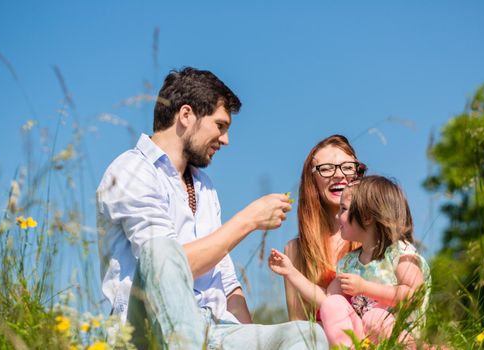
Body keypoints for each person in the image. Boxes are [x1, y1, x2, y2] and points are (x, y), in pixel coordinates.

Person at [96, 67, 328, 349]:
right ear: (186, 115)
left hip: (217, 330)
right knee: (161, 251)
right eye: (220, 125)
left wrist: (251, 338)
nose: (226, 140)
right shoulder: (132, 171)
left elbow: (227, 283)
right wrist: (249, 220)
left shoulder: (204, 186)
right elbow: (165, 269)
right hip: (147, 329)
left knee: (308, 335)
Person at [269, 176, 431, 348]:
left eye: (344, 209)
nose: (338, 216)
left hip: (400, 337)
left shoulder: (401, 253)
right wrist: (291, 272)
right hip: (366, 340)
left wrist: (365, 288)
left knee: (374, 317)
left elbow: (414, 295)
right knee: (333, 305)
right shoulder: (349, 263)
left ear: (367, 217)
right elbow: (326, 298)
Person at [284, 134, 366, 320]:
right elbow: (298, 327)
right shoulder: (295, 250)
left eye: (347, 167)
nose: (338, 175)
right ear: (312, 181)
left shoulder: (376, 240)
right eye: (326, 169)